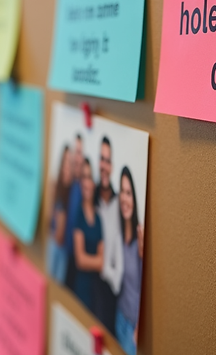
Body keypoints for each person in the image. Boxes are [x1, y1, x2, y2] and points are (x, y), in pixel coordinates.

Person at [115, 166, 144, 355]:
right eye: (122, 192)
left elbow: (146, 287)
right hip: (118, 318)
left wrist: (139, 327)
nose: (125, 198)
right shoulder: (116, 231)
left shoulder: (139, 238)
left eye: (129, 193)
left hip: (133, 329)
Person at [94, 136, 121, 329]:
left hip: (109, 292)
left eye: (108, 160)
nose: (104, 165)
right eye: (102, 159)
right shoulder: (89, 199)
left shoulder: (119, 204)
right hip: (88, 285)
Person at [70, 157, 103, 310]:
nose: (85, 182)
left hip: (96, 290)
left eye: (89, 177)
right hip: (81, 289)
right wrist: (97, 262)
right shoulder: (78, 215)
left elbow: (102, 261)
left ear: (94, 183)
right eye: (83, 177)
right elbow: (80, 260)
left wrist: (97, 262)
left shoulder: (98, 217)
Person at [45, 143, 71, 283]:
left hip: (63, 249)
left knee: (58, 283)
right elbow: (49, 217)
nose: (67, 166)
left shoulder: (73, 190)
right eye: (65, 161)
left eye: (70, 162)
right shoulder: (56, 186)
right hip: (53, 243)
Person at [62, 133, 84, 290]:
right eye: (75, 153)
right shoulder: (68, 185)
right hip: (65, 253)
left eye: (80, 153)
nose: (77, 158)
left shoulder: (86, 188)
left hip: (78, 259)